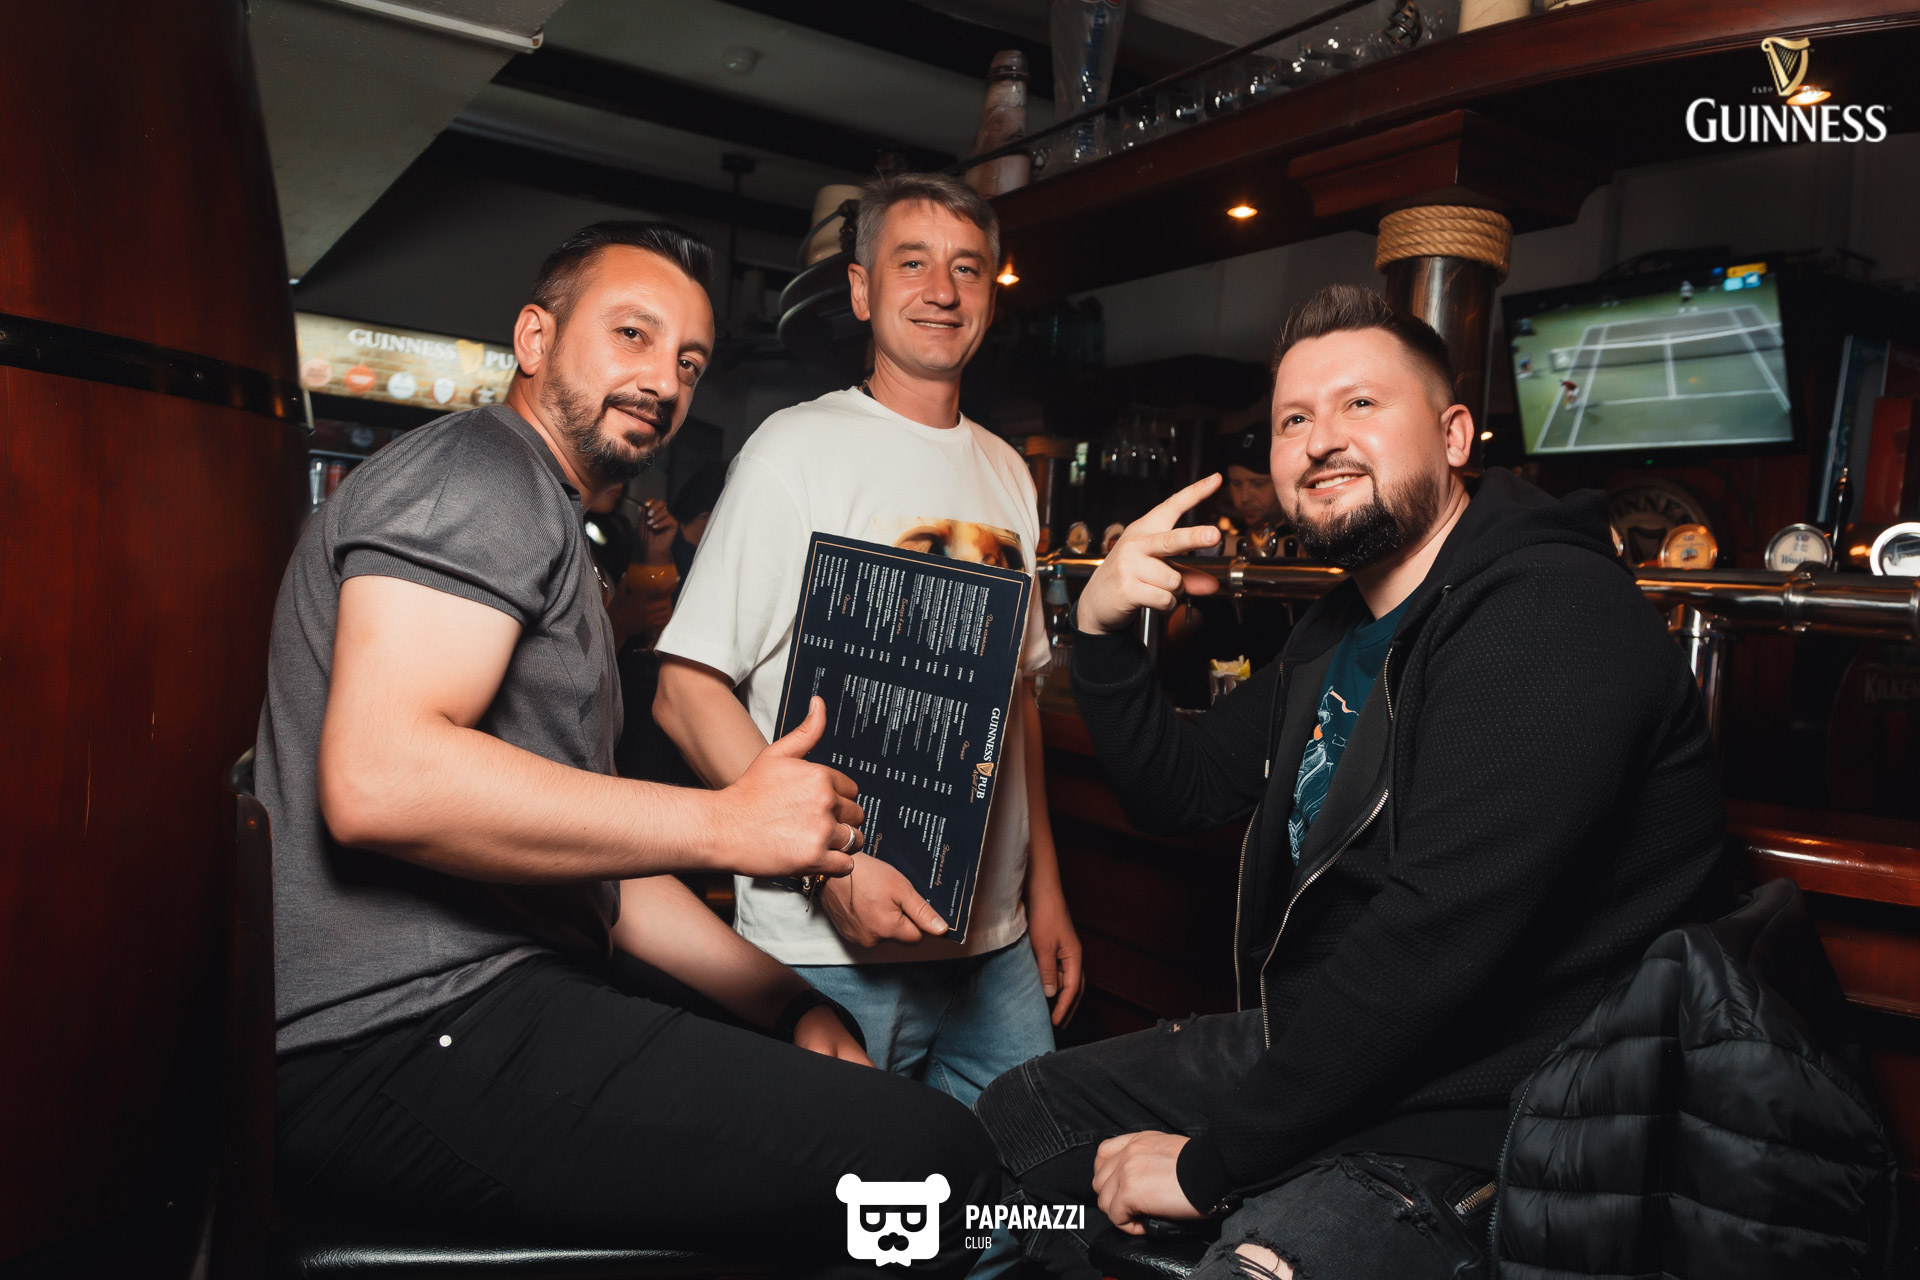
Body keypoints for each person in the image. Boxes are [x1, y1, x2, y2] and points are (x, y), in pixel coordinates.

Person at [255, 219, 996, 1278]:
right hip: (395, 1032)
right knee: (931, 1165)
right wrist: (726, 823)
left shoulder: (547, 512)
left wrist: (786, 998)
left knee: (878, 1141)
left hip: (464, 1006)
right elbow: (380, 780)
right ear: (534, 338)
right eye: (633, 335)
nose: (663, 379)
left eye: (690, 360)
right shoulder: (482, 471)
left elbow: (602, 866)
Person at [975, 284, 1724, 1280]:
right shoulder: (1344, 628)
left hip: (1504, 1116)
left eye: (1360, 404)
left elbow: (1434, 939)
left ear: (1454, 436)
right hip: (1346, 1056)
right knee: (1020, 1118)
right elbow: (1180, 791)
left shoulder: (1551, 609)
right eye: (1294, 419)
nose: (1320, 439)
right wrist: (1105, 631)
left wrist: (1212, 1165)